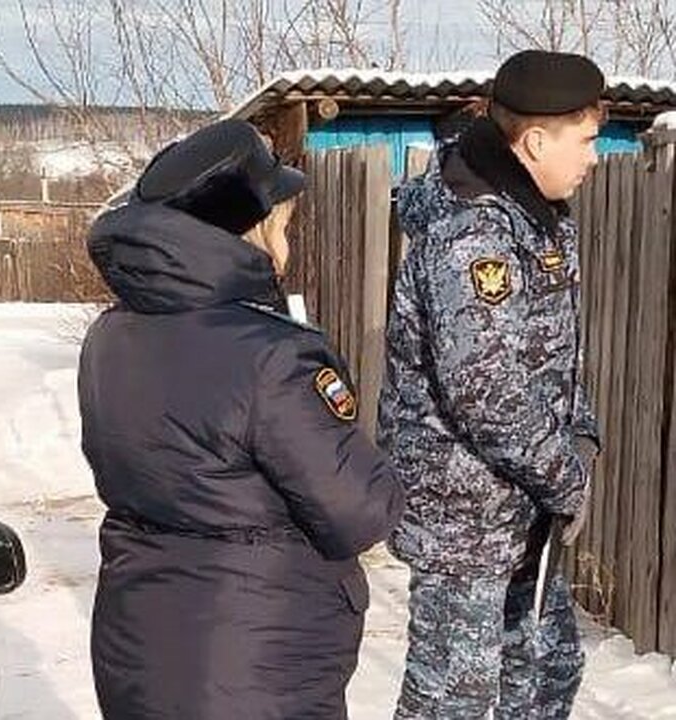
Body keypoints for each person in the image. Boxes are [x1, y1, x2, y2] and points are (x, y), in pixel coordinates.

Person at [80, 118, 404, 719]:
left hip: (142, 641)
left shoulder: (110, 338)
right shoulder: (274, 355)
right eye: (281, 226)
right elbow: (358, 510)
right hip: (254, 658)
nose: (287, 244)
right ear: (246, 232)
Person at [379, 49, 604, 719]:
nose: (594, 156)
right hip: (464, 519)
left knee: (545, 671)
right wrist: (565, 475)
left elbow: (549, 352)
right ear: (535, 140)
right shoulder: (473, 234)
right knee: (452, 700)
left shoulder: (536, 213)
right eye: (587, 140)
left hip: (520, 505)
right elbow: (487, 391)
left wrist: (581, 429)